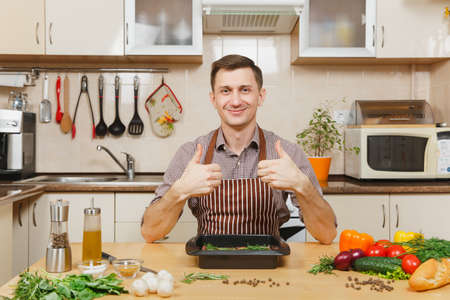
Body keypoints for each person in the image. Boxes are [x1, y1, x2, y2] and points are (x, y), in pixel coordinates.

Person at [141, 54, 337, 244]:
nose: (235, 101)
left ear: (260, 96)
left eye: (245, 90)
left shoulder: (287, 153)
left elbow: (327, 235)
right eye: (225, 91)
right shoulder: (190, 153)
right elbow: (150, 233)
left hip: (269, 266)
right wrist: (179, 191)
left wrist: (302, 186)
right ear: (213, 99)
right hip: (209, 269)